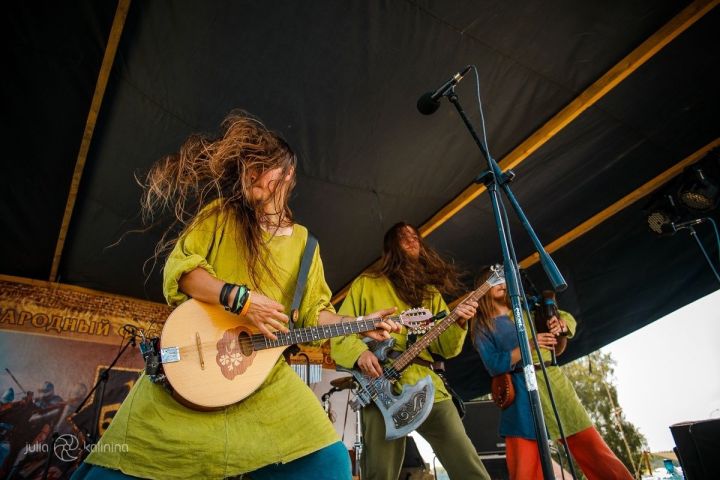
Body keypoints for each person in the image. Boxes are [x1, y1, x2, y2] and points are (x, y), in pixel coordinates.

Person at [72, 110, 399, 480]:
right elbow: (181, 272)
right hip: (192, 375)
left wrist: (357, 324)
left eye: (264, 168)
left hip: (264, 384)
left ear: (288, 175)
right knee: (112, 472)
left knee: (329, 462)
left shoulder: (306, 244)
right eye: (250, 169)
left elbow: (315, 311)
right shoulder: (220, 216)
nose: (254, 176)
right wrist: (238, 298)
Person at [331, 222, 490, 480]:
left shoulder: (429, 293)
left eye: (415, 236)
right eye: (403, 236)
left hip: (428, 386)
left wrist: (460, 321)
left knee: (468, 466)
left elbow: (445, 348)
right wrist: (360, 354)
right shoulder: (366, 284)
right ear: (390, 247)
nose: (412, 240)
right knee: (380, 473)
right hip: (379, 389)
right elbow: (339, 334)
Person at [471, 266, 633, 480]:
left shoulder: (526, 306)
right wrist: (527, 346)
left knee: (592, 448)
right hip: (520, 391)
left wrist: (561, 323)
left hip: (553, 381)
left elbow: (565, 317)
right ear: (483, 289)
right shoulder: (482, 326)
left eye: (503, 279)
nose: (501, 284)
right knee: (525, 465)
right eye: (494, 281)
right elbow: (493, 365)